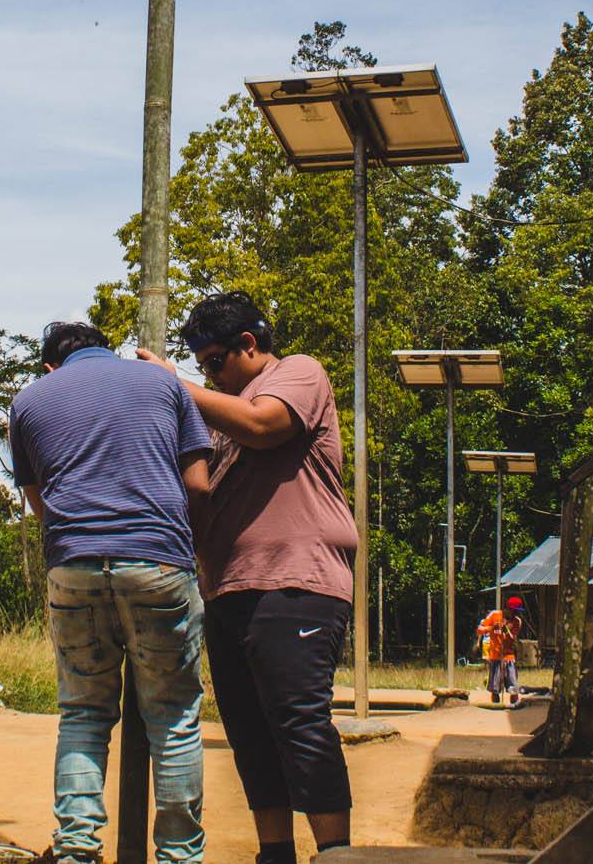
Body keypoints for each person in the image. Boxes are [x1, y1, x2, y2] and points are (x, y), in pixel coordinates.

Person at [139, 292, 357, 864]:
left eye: (214, 362)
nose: (209, 374)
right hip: (228, 586)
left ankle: (336, 854)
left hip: (297, 581)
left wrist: (176, 386)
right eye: (200, 366)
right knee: (249, 733)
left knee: (300, 723)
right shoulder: (216, 415)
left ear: (250, 345)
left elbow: (264, 426)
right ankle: (274, 853)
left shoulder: (298, 373)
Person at [9, 320, 211, 864]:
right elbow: (198, 484)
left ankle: (77, 851)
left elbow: (40, 503)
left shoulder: (29, 400)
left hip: (73, 566)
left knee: (83, 714)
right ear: (107, 349)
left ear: (50, 365)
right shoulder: (162, 383)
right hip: (158, 562)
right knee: (173, 717)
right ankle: (179, 855)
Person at [473, 596, 526, 706]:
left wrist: (505, 629)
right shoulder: (494, 615)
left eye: (517, 612)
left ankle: (514, 705)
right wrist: (492, 628)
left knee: (513, 687)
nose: (515, 613)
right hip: (495, 656)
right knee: (495, 688)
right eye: (514, 611)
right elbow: (480, 629)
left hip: (509, 657)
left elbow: (512, 639)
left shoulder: (517, 621)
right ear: (507, 608)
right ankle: (495, 707)